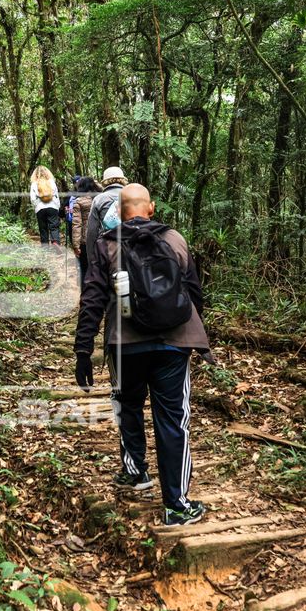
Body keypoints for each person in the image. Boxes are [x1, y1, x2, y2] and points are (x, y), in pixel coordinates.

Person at [73, 183, 211, 527]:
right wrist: (195, 334)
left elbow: (92, 299)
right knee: (172, 419)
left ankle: (135, 472)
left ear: (118, 212)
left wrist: (83, 349)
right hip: (174, 343)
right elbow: (194, 292)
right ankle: (176, 505)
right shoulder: (175, 239)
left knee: (127, 404)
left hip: (125, 345)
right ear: (150, 208)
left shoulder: (106, 245)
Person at [83, 166, 128, 265]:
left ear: (105, 181)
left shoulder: (99, 199)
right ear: (122, 180)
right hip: (129, 247)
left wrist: (91, 259)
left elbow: (92, 231)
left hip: (107, 249)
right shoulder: (130, 196)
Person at [69, 176, 103, 286]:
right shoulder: (102, 199)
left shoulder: (79, 202)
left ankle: (86, 297)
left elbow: (76, 225)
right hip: (101, 239)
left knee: (84, 269)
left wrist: (76, 245)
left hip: (85, 241)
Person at [29, 166, 61, 245]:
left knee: (43, 229)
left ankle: (45, 248)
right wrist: (57, 207)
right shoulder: (51, 182)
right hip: (52, 207)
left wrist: (36, 206)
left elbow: (33, 198)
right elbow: (56, 195)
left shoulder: (34, 184)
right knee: (54, 227)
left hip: (40, 208)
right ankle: (55, 242)